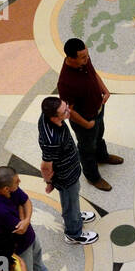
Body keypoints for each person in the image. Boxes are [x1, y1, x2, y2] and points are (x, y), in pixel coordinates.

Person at [57, 37, 123, 193]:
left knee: (99, 136)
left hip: (98, 110)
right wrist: (86, 124)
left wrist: (104, 90)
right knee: (86, 149)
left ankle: (102, 156)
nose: (87, 59)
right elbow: (68, 111)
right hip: (85, 120)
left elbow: (94, 75)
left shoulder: (84, 62)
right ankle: (93, 177)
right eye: (83, 57)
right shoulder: (65, 82)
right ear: (71, 58)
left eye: (87, 55)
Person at [37, 96, 99, 246]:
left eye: (66, 107)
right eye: (64, 112)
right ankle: (73, 233)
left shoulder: (46, 114)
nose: (69, 111)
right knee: (70, 202)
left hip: (70, 169)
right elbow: (45, 166)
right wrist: (49, 182)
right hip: (65, 176)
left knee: (73, 197)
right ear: (53, 117)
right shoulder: (52, 140)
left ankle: (76, 216)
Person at [0, 166, 59, 271]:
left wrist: (26, 219)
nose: (19, 182)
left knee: (37, 257)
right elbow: (21, 229)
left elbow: (26, 201)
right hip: (18, 246)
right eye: (17, 182)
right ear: (6, 189)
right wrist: (23, 216)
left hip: (30, 236)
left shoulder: (8, 187)